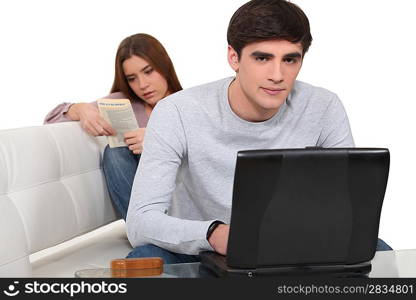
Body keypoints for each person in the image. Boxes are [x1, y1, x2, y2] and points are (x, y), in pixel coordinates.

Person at [126, 0, 392, 263]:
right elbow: (140, 222)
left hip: (293, 247)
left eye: (290, 59)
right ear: (234, 57)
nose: (277, 75)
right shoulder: (177, 111)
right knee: (143, 258)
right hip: (205, 249)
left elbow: (347, 208)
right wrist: (214, 234)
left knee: (380, 251)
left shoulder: (324, 107)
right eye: (262, 58)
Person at [44, 33, 182, 220]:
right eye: (132, 78)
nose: (142, 85)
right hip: (144, 213)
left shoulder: (187, 104)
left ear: (164, 66)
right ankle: (147, 231)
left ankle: (162, 235)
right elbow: (50, 122)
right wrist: (80, 109)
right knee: (115, 152)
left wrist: (157, 140)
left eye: (148, 71)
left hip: (183, 200)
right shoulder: (122, 102)